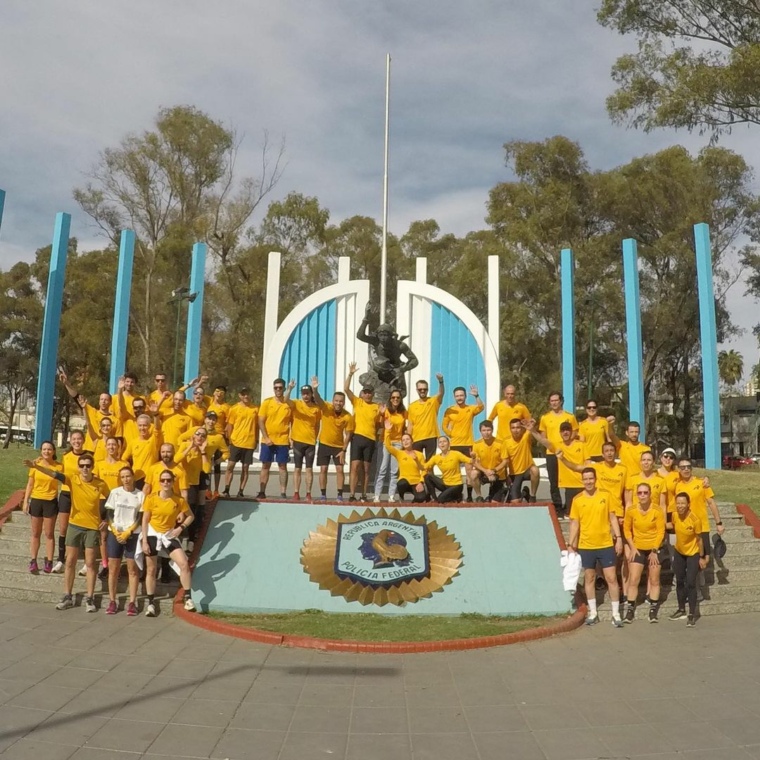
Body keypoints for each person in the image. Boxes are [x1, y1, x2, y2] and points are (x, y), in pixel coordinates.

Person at [24, 452, 110, 613]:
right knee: (70, 561)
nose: (85, 468)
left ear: (92, 467)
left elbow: (112, 499)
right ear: (78, 467)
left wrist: (107, 519)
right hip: (75, 526)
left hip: (92, 528)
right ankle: (67, 596)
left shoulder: (100, 484)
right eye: (82, 465)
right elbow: (53, 473)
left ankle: (90, 598)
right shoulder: (72, 479)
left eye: (88, 465)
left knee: (91, 564)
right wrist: (36, 466)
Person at [566, 467, 624, 627]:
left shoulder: (605, 495)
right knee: (590, 578)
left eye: (591, 478)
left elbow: (612, 517)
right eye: (585, 479)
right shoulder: (577, 500)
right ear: (582, 480)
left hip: (605, 544)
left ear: (595, 479)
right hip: (586, 545)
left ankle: (616, 613)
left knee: (611, 578)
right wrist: (571, 544)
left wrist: (618, 538)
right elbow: (575, 523)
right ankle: (593, 612)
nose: (588, 481)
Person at [140, 470, 195, 616]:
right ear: (159, 482)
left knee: (184, 563)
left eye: (169, 480)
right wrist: (144, 541)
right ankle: (151, 602)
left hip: (168, 534)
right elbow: (145, 520)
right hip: (152, 533)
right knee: (151, 569)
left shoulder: (179, 500)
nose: (166, 483)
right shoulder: (151, 498)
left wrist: (180, 528)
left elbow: (191, 516)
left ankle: (188, 597)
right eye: (163, 480)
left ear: (173, 482)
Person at [103, 466, 144, 615]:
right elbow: (109, 514)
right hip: (115, 534)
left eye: (128, 476)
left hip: (132, 535)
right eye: (123, 477)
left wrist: (129, 531)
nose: (126, 479)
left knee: (132, 570)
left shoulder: (140, 495)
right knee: (113, 569)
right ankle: (112, 601)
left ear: (133, 477)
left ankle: (132, 602)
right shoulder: (115, 493)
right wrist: (115, 530)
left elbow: (140, 517)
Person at [623, 482, 665, 623]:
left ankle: (653, 610)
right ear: (636, 495)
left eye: (645, 492)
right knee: (634, 579)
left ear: (650, 494)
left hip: (654, 547)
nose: (642, 495)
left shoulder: (657, 510)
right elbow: (627, 530)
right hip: (638, 547)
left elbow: (661, 532)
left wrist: (654, 550)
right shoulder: (631, 510)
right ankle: (630, 610)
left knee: (654, 579)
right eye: (640, 493)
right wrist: (632, 546)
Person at [531, 420, 586, 518]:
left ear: (572, 431)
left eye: (568, 430)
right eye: (563, 430)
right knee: (571, 516)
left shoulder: (582, 445)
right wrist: (532, 430)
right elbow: (543, 441)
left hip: (584, 485)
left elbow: (588, 466)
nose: (565, 432)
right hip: (569, 486)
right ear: (560, 433)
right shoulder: (558, 445)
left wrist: (579, 470)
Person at [22, 441, 63, 574]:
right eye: (44, 449)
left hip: (50, 501)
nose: (47, 452)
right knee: (35, 533)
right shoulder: (35, 465)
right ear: (41, 451)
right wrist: (25, 501)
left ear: (54, 451)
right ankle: (33, 560)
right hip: (36, 500)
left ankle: (49, 561)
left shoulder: (59, 466)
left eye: (49, 449)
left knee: (49, 534)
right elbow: (30, 484)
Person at [92, 436, 129, 580]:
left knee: (116, 533)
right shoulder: (99, 464)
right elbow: (94, 484)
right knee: (103, 535)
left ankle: (116, 564)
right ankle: (105, 565)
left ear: (118, 447)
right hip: (103, 501)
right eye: (109, 444)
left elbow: (126, 483)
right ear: (105, 447)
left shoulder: (123, 464)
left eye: (114, 445)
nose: (112, 447)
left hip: (118, 502)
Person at [668, 492, 707, 626]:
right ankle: (681, 609)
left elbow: (700, 540)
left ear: (688, 504)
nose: (680, 506)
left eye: (683, 503)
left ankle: (692, 613)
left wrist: (702, 557)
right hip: (679, 552)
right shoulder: (674, 515)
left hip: (693, 554)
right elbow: (672, 528)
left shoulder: (695, 520)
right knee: (679, 581)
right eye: (678, 503)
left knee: (690, 582)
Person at [344, 363, 381, 502]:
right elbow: (346, 389)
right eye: (365, 392)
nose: (367, 394)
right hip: (357, 438)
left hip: (370, 439)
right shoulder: (357, 402)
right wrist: (350, 374)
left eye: (369, 392)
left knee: (366, 470)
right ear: (362, 393)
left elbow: (379, 425)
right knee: (354, 467)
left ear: (372, 394)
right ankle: (352, 494)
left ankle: (364, 494)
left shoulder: (376, 407)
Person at [538, 392, 578, 517]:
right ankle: (558, 507)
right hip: (551, 453)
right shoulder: (545, 418)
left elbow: (575, 432)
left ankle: (568, 507)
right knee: (553, 482)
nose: (554, 403)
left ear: (561, 401)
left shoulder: (569, 417)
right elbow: (543, 437)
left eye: (556, 400)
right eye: (552, 401)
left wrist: (567, 446)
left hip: (567, 453)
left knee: (568, 480)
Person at [53, 430, 88, 573]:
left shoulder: (88, 456)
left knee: (85, 528)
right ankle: (61, 560)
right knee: (63, 528)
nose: (76, 441)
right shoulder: (66, 456)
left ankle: (87, 563)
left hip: (82, 495)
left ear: (83, 440)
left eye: (79, 439)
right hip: (66, 493)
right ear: (70, 440)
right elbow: (57, 469)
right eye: (74, 439)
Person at [313, 382, 355, 501]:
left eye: (341, 401)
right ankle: (323, 494)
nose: (338, 403)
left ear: (344, 403)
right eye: (336, 400)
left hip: (338, 446)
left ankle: (340, 495)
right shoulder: (326, 408)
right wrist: (315, 389)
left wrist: (344, 450)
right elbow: (318, 399)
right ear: (333, 401)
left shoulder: (348, 416)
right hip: (324, 443)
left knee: (340, 470)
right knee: (323, 469)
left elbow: (348, 435)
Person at [59, 370, 122, 448]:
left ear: (110, 402)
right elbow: (76, 397)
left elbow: (118, 440)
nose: (103, 402)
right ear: (99, 401)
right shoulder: (92, 411)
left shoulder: (116, 421)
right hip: (89, 449)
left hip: (104, 452)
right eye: (101, 399)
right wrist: (66, 383)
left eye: (106, 400)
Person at [442, 385, 484, 501]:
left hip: (468, 444)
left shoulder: (470, 409)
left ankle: (470, 496)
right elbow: (444, 426)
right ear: (454, 397)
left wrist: (476, 396)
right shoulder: (450, 410)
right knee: (454, 472)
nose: (459, 398)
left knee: (469, 471)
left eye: (461, 395)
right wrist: (451, 434)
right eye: (457, 396)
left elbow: (481, 407)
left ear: (465, 396)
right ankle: (456, 496)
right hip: (454, 445)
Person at [286, 379, 322, 501]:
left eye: (308, 393)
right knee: (297, 468)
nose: (305, 396)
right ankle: (296, 492)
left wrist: (315, 438)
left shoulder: (316, 408)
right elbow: (285, 400)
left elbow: (317, 425)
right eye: (303, 393)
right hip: (297, 440)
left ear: (311, 394)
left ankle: (308, 493)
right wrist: (289, 388)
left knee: (309, 468)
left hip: (310, 442)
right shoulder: (296, 403)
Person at [257, 378, 293, 499]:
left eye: (280, 388)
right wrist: (266, 438)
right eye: (275, 388)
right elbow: (261, 421)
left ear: (283, 388)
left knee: (282, 466)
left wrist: (291, 438)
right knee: (265, 465)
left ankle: (283, 492)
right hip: (267, 441)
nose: (278, 390)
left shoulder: (288, 404)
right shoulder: (267, 402)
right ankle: (262, 491)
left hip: (282, 440)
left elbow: (292, 422)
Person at [176, 427, 211, 546]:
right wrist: (190, 447)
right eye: (198, 434)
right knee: (178, 511)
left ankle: (190, 538)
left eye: (203, 436)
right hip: (180, 484)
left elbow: (206, 469)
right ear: (193, 435)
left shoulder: (204, 451)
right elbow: (176, 459)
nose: (200, 437)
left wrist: (202, 452)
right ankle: (181, 537)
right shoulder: (185, 445)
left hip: (192, 485)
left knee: (190, 512)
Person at [222, 387, 259, 498]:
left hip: (249, 443)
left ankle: (241, 491)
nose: (246, 396)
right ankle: (226, 489)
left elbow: (257, 426)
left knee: (245, 467)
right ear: (240, 395)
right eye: (243, 394)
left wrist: (256, 439)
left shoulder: (255, 409)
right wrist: (229, 440)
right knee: (230, 466)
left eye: (248, 394)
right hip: (236, 442)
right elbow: (230, 426)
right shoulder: (234, 409)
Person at [374, 391, 407, 503]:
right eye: (393, 397)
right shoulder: (386, 411)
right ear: (390, 399)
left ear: (400, 399)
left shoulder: (403, 412)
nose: (395, 399)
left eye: (398, 397)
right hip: (386, 442)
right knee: (382, 469)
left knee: (394, 471)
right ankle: (377, 495)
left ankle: (391, 495)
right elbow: (379, 425)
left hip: (398, 443)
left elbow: (405, 427)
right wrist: (382, 414)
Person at [383, 422, 427, 502]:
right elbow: (388, 446)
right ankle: (401, 497)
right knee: (401, 483)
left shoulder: (419, 455)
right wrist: (387, 431)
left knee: (421, 498)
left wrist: (421, 482)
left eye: (407, 439)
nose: (405, 441)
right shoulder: (399, 453)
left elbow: (424, 470)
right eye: (403, 440)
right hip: (404, 481)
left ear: (412, 441)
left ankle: (413, 503)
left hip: (416, 482)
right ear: (402, 443)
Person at [501, 419, 540, 502]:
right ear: (510, 429)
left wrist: (533, 423)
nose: (516, 430)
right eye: (513, 428)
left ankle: (532, 496)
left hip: (526, 471)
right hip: (514, 474)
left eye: (518, 427)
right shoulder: (506, 442)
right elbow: (505, 461)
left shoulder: (525, 437)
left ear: (522, 429)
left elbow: (532, 429)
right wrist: (506, 476)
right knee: (515, 502)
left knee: (535, 470)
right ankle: (524, 493)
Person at [407, 375, 445, 460]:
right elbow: (410, 424)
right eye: (420, 389)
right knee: (416, 463)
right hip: (416, 438)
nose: (423, 391)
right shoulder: (412, 406)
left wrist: (441, 382)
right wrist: (408, 439)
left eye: (425, 389)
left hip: (431, 437)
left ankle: (428, 474)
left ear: (427, 389)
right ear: (417, 390)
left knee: (430, 463)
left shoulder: (433, 401)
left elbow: (441, 393)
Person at [424, 436, 470, 503]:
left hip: (456, 485)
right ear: (438, 446)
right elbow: (425, 467)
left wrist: (474, 457)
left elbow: (469, 460)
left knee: (441, 500)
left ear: (449, 444)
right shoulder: (436, 458)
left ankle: (457, 496)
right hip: (445, 483)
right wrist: (416, 460)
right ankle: (434, 498)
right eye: (440, 442)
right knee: (427, 477)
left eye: (444, 441)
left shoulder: (456, 454)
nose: (442, 443)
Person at [470, 420, 508, 502]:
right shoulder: (476, 444)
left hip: (497, 473)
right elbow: (474, 462)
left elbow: (505, 461)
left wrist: (494, 471)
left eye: (488, 430)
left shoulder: (501, 443)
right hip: (484, 472)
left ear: (492, 430)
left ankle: (502, 491)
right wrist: (485, 471)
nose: (486, 433)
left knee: (494, 503)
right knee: (473, 474)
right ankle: (479, 496)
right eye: (484, 430)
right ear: (480, 431)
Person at [122, 413, 162, 490]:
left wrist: (156, 415)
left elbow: (157, 429)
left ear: (149, 426)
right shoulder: (133, 442)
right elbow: (124, 459)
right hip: (136, 479)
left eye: (145, 425)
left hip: (151, 479)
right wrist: (129, 472)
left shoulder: (154, 440)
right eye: (140, 425)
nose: (142, 428)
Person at [208, 385, 231, 494]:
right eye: (217, 391)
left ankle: (216, 490)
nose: (219, 394)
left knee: (217, 464)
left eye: (222, 392)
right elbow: (196, 395)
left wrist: (228, 437)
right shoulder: (209, 402)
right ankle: (207, 490)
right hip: (207, 436)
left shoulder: (226, 407)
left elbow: (228, 423)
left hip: (219, 436)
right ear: (214, 392)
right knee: (206, 463)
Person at [202, 411, 229, 498]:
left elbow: (227, 453)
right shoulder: (196, 431)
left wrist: (218, 461)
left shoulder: (218, 437)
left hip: (206, 465)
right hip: (194, 466)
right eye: (209, 419)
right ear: (205, 419)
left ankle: (210, 491)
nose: (211, 422)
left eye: (213, 420)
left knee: (205, 495)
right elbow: (182, 439)